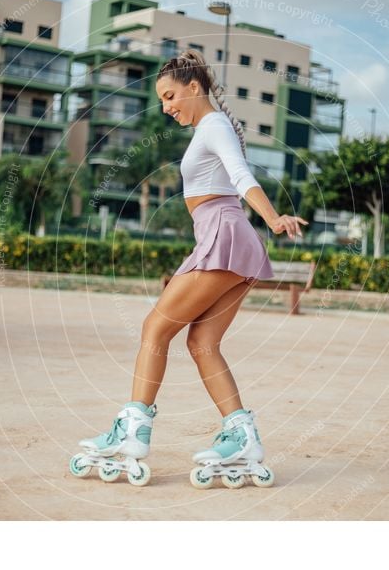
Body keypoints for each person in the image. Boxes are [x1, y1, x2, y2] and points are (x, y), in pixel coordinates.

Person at [70, 49, 308, 488]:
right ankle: (241, 437)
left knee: (154, 330)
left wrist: (274, 218)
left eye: (171, 96)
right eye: (162, 100)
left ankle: (132, 434)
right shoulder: (210, 128)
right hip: (228, 238)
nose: (167, 107)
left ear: (194, 87)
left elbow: (241, 177)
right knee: (202, 342)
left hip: (224, 233)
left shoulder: (214, 125)